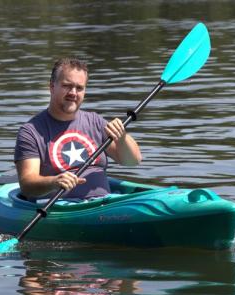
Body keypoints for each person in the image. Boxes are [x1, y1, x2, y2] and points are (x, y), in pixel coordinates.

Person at [14, 57, 142, 201]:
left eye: (79, 88)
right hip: (61, 209)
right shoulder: (31, 132)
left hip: (104, 203)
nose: (73, 93)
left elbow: (133, 161)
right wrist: (53, 182)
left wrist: (122, 137)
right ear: (51, 87)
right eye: (67, 86)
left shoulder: (95, 121)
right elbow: (27, 184)